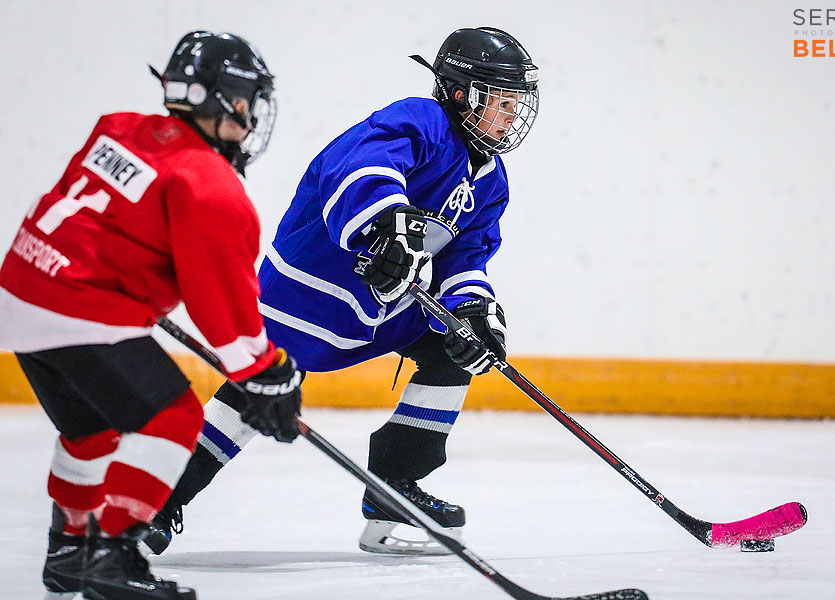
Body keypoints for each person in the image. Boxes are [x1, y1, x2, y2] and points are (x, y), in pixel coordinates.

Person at [146, 26, 540, 556]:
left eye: (518, 101)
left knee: (455, 349)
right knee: (254, 395)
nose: (512, 114)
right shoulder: (421, 120)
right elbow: (356, 167)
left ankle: (392, 493)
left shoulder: (491, 180)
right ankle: (160, 503)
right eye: (502, 99)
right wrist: (383, 224)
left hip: (377, 305)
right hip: (306, 295)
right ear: (461, 93)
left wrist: (472, 311)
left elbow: (464, 261)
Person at [0, 31, 304, 600]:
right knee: (173, 418)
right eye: (247, 104)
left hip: (21, 290)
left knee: (91, 429)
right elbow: (225, 313)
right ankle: (113, 560)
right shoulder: (211, 186)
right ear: (228, 102)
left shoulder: (118, 128)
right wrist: (266, 374)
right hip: (77, 308)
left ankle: (70, 552)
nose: (250, 120)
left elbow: (103, 225)